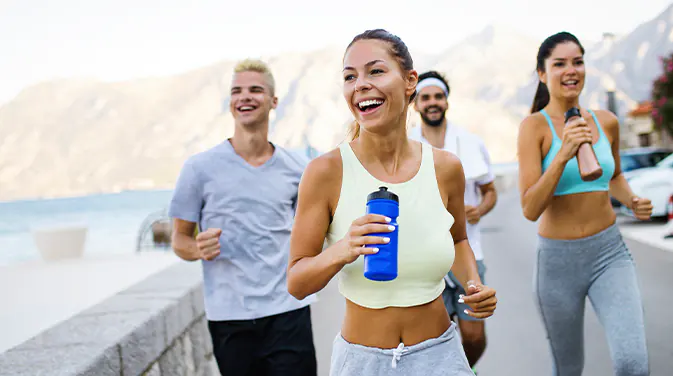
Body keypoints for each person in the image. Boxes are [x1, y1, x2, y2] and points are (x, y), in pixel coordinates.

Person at [286, 29, 497, 375]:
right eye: (349, 77)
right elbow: (297, 282)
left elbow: (458, 239)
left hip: (440, 356)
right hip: (362, 362)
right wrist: (344, 248)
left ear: (410, 81)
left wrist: (474, 284)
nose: (361, 84)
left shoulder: (446, 168)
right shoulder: (325, 172)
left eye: (376, 71)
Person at [168, 58, 317, 376]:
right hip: (230, 316)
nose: (244, 96)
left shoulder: (298, 167)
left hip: (288, 310)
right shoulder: (199, 169)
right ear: (230, 102)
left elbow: (314, 230)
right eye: (237, 91)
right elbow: (179, 239)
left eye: (255, 90)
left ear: (274, 101)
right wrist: (197, 248)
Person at [517, 31, 651, 376]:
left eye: (577, 61)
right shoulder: (533, 128)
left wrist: (633, 200)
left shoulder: (606, 122)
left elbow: (615, 176)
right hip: (557, 264)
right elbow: (530, 208)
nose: (571, 69)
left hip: (609, 253)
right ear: (543, 74)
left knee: (632, 363)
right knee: (568, 368)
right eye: (559, 63)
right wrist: (562, 155)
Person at [408, 70, 497, 373]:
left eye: (438, 96)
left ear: (446, 101)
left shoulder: (471, 143)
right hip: (425, 260)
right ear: (415, 104)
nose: (432, 103)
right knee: (434, 336)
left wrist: (479, 210)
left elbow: (490, 192)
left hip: (469, 252)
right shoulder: (405, 146)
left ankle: (460, 370)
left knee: (474, 334)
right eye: (425, 97)